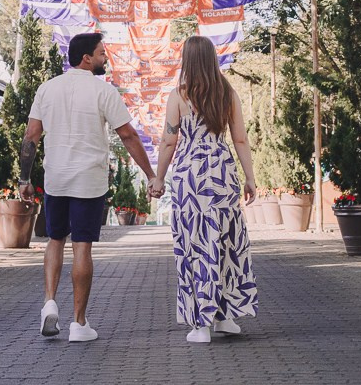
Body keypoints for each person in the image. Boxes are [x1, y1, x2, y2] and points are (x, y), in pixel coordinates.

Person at [19, 31, 156, 344]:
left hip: (55, 177)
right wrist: (149, 173)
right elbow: (129, 136)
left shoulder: (47, 88)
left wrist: (24, 179)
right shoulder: (102, 91)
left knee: (55, 239)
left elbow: (31, 137)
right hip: (88, 181)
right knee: (82, 245)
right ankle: (79, 324)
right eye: (101, 53)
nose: (105, 58)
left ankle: (50, 302)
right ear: (86, 58)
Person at [148, 35, 258, 344]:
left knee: (194, 243)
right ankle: (225, 316)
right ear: (211, 59)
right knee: (224, 242)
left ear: (187, 61)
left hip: (189, 176)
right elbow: (240, 139)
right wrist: (249, 178)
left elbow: (170, 140)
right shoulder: (228, 93)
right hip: (221, 173)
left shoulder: (178, 97)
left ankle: (201, 324)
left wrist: (159, 178)